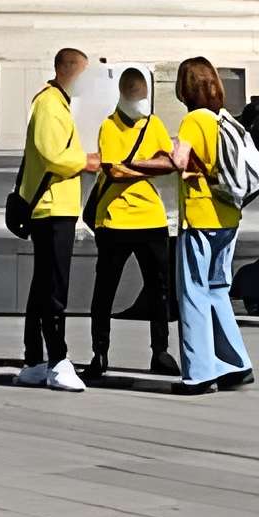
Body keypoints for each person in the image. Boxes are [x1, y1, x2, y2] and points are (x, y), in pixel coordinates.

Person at [168, 57, 255, 395]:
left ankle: (200, 373)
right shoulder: (225, 119)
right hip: (228, 216)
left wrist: (171, 151)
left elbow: (180, 161)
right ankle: (236, 362)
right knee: (218, 290)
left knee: (191, 292)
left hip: (199, 215)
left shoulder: (194, 120)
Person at [14, 48, 99, 391]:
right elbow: (52, 154)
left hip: (55, 206)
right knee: (54, 288)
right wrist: (85, 161)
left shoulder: (56, 102)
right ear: (71, 71)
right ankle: (57, 361)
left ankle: (34, 359)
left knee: (43, 285)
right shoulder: (50, 103)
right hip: (52, 207)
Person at [87, 66, 180, 381]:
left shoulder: (153, 123)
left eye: (144, 98)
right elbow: (113, 172)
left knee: (160, 290)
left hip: (151, 219)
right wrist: (147, 167)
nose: (141, 103)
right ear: (125, 96)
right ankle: (100, 351)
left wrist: (134, 166)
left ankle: (161, 351)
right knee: (105, 290)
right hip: (114, 219)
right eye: (137, 97)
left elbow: (170, 162)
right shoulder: (109, 127)